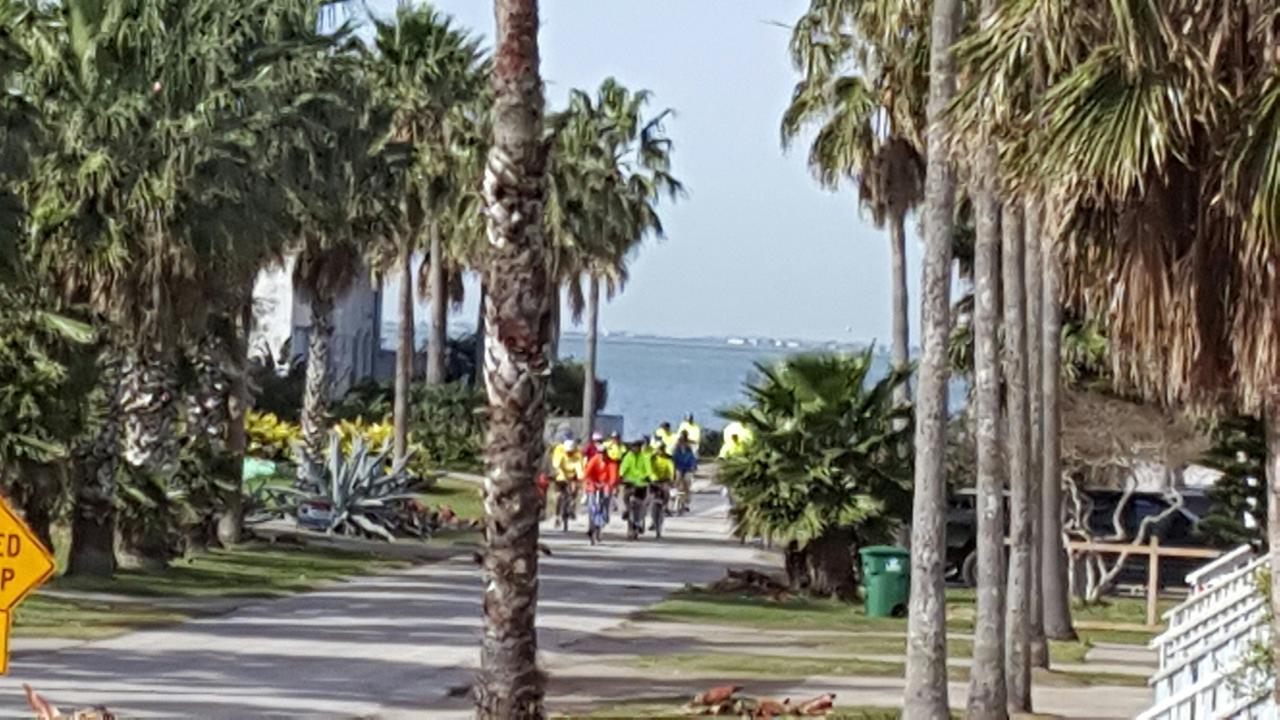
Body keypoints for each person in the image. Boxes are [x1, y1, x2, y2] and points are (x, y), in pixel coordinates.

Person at [619, 439, 653, 533]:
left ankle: (640, 520)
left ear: (640, 448)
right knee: (625, 498)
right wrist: (621, 475)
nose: (635, 449)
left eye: (637, 447)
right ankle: (626, 510)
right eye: (633, 447)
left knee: (642, 504)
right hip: (630, 483)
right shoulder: (628, 457)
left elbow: (648, 469)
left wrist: (648, 477)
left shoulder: (644, 457)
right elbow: (623, 467)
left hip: (642, 484)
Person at [552, 439, 583, 524]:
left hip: (572, 475)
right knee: (558, 496)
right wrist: (562, 476)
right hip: (560, 475)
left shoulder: (577, 454)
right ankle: (557, 516)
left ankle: (572, 506)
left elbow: (579, 468)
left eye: (571, 452)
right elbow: (556, 466)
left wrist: (580, 477)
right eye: (568, 452)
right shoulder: (560, 452)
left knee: (573, 490)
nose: (569, 454)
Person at [672, 433, 698, 514]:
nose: (682, 443)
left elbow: (693, 461)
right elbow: (673, 461)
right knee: (677, 480)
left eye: (684, 442)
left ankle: (686, 501)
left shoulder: (689, 452)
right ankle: (674, 496)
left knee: (687, 481)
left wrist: (693, 467)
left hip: (687, 469)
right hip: (679, 468)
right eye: (681, 442)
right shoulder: (676, 452)